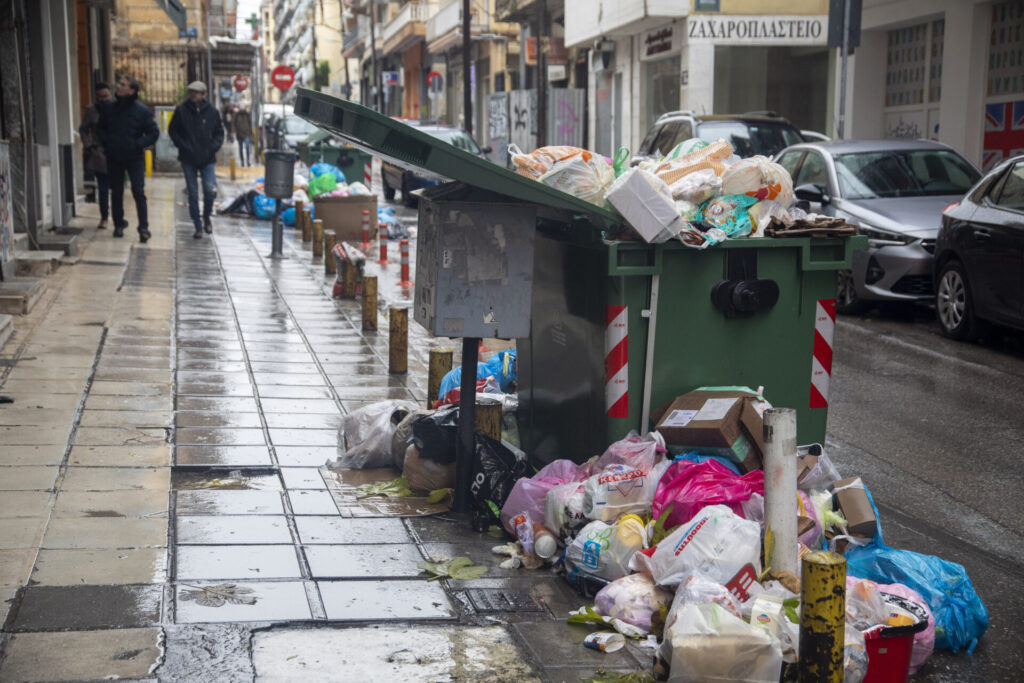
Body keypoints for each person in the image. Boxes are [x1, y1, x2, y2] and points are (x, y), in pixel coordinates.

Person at [99, 74, 159, 242]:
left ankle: (144, 227)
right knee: (116, 192)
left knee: (138, 192)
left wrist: (138, 144)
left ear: (132, 90)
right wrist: (107, 143)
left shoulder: (142, 111)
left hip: (134, 158)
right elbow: (100, 129)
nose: (118, 86)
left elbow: (153, 133)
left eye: (123, 84)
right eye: (118, 83)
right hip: (114, 156)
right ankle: (118, 224)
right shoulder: (109, 108)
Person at [168, 81, 225, 239]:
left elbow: (219, 132)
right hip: (188, 158)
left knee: (209, 190)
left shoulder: (212, 112)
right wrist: (183, 145)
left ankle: (206, 216)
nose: (193, 94)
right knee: (192, 193)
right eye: (191, 92)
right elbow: (173, 130)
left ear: (204, 94)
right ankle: (197, 225)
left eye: (197, 92)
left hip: (207, 158)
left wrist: (212, 147)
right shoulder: (181, 110)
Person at [78, 81, 113, 229]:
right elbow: (83, 129)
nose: (103, 99)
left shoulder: (117, 108)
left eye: (106, 96)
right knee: (103, 188)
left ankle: (118, 218)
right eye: (100, 96)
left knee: (117, 189)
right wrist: (89, 145)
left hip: (117, 152)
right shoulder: (91, 110)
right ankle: (104, 217)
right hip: (99, 153)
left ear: (110, 94)